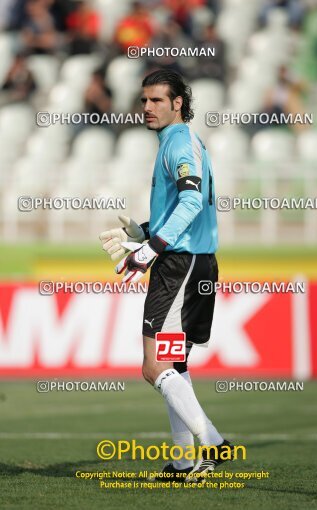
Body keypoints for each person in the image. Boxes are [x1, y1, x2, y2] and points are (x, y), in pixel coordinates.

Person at [99, 69, 234, 483]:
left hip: (179, 266)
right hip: (193, 261)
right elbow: (184, 203)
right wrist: (145, 230)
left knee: (154, 367)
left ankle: (211, 440)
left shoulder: (178, 142)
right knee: (175, 362)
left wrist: (153, 248)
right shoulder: (180, 141)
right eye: (144, 100)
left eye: (157, 100)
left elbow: (193, 200)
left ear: (178, 103)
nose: (147, 108)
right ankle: (181, 460)